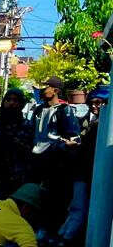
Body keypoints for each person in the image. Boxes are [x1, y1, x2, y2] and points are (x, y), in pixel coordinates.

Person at [29, 76, 82, 231]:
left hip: (54, 160)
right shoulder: (38, 109)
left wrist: (62, 148)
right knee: (34, 194)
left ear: (55, 91)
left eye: (46, 87)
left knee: (53, 197)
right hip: (36, 157)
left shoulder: (64, 111)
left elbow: (73, 136)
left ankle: (50, 230)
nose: (42, 89)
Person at [59, 84, 106, 243]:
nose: (94, 106)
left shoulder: (102, 124)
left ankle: (69, 237)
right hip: (83, 172)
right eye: (92, 103)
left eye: (98, 103)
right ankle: (67, 236)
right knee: (77, 206)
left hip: (94, 173)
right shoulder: (91, 121)